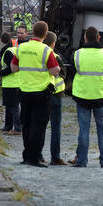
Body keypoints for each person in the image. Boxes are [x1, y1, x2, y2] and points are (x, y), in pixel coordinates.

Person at [11, 21, 60, 168]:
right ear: (45, 34)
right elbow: (54, 70)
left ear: (32, 31)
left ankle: (26, 156)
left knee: (26, 124)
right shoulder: (46, 50)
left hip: (24, 92)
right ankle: (34, 158)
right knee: (38, 126)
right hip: (41, 92)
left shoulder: (21, 48)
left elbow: (13, 68)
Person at [71, 26, 103, 168]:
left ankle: (82, 161)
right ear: (99, 37)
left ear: (85, 38)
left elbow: (72, 74)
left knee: (84, 129)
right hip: (101, 96)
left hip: (82, 96)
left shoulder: (77, 54)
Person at [42, 31, 68, 166]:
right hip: (55, 95)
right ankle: (55, 157)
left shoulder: (39, 55)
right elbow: (63, 74)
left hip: (40, 94)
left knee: (39, 125)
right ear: (53, 44)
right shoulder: (56, 56)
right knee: (56, 127)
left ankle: (38, 155)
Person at [0, 32, 21, 135]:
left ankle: (18, 128)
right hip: (15, 82)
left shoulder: (7, 52)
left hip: (11, 83)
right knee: (9, 106)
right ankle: (8, 126)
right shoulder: (14, 49)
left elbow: (11, 69)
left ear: (1, 40)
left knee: (13, 107)